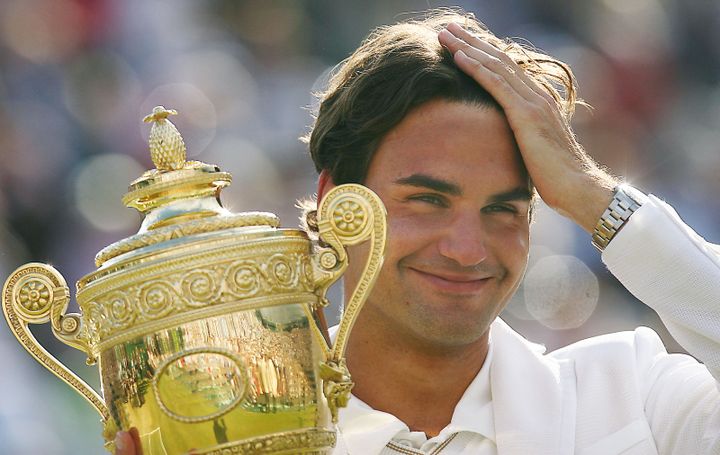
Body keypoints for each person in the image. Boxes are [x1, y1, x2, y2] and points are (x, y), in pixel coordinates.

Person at [116, 9, 720, 455]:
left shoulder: (635, 396)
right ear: (334, 202)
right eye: (428, 200)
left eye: (504, 209)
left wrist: (593, 197)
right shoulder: (236, 437)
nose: (466, 248)